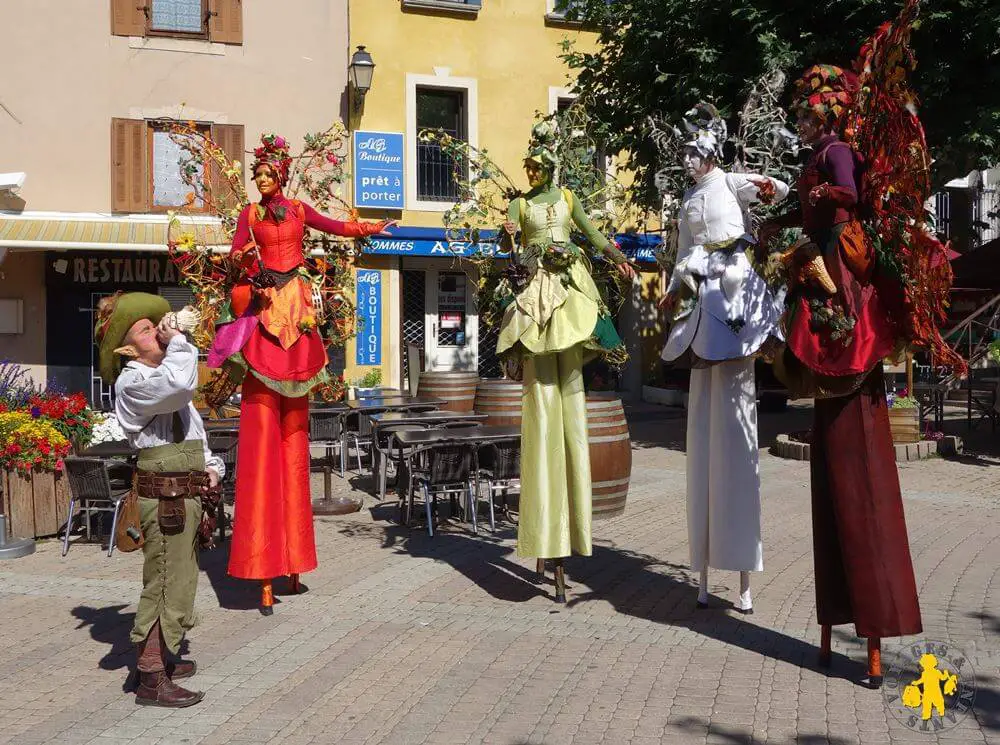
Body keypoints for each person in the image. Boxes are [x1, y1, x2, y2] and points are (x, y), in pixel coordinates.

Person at [761, 64, 922, 688]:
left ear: (826, 113)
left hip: (844, 299)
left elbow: (851, 199)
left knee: (860, 481)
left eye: (807, 113)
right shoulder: (814, 159)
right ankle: (835, 625)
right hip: (819, 287)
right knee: (831, 480)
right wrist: (780, 224)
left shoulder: (838, 154)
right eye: (799, 113)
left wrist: (821, 198)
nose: (801, 121)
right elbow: (817, 219)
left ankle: (874, 633)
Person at [207, 133, 394, 614]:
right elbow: (234, 255)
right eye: (258, 175)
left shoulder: (297, 210)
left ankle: (290, 559)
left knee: (296, 435)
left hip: (297, 307)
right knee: (265, 429)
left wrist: (371, 229)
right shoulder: (249, 215)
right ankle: (265, 562)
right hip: (266, 307)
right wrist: (245, 267)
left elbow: (336, 226)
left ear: (281, 176)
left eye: (267, 174)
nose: (261, 180)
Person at [657, 103, 789, 614]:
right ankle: (706, 575)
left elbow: (770, 187)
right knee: (705, 433)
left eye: (693, 153)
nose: (687, 160)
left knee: (739, 436)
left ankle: (743, 578)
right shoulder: (688, 201)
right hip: (705, 308)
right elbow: (683, 255)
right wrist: (674, 290)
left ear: (708, 154)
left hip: (737, 299)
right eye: (684, 154)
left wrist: (768, 184)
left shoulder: (728, 183)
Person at [496, 120, 636, 602]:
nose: (530, 171)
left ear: (550, 168)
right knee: (540, 404)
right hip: (536, 290)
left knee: (570, 396)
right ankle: (545, 533)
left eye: (536, 165)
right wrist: (507, 237)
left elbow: (593, 237)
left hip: (569, 287)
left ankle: (564, 533)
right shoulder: (518, 203)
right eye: (527, 165)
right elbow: (508, 249)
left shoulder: (568, 199)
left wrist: (617, 255)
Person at [96, 291, 225, 708]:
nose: (158, 331)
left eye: (156, 325)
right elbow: (179, 387)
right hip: (164, 496)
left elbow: (194, 433)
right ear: (127, 347)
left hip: (185, 491)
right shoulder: (133, 381)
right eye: (146, 330)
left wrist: (211, 468)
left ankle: (160, 656)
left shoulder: (166, 371)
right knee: (166, 580)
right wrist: (182, 343)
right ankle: (150, 675)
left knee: (181, 579)